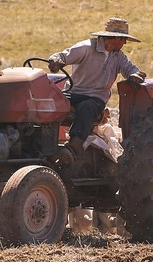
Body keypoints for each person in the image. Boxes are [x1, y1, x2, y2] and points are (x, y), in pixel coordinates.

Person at [48, 17, 146, 164]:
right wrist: (56, 60)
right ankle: (44, 145)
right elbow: (63, 56)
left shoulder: (118, 56)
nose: (125, 43)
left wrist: (135, 75)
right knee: (48, 105)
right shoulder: (86, 48)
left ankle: (72, 149)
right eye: (123, 39)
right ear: (115, 38)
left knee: (87, 107)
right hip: (73, 93)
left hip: (95, 98)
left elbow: (130, 69)